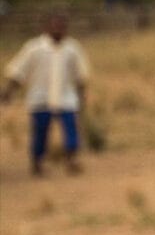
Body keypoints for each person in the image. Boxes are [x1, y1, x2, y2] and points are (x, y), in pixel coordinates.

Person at [3, 13, 91, 177]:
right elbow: (19, 70)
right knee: (40, 132)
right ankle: (37, 163)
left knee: (71, 128)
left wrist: (82, 95)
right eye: (54, 26)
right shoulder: (34, 48)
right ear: (46, 28)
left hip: (66, 97)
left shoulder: (72, 48)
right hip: (40, 98)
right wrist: (9, 91)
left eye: (61, 26)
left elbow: (80, 74)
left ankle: (71, 159)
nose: (58, 30)